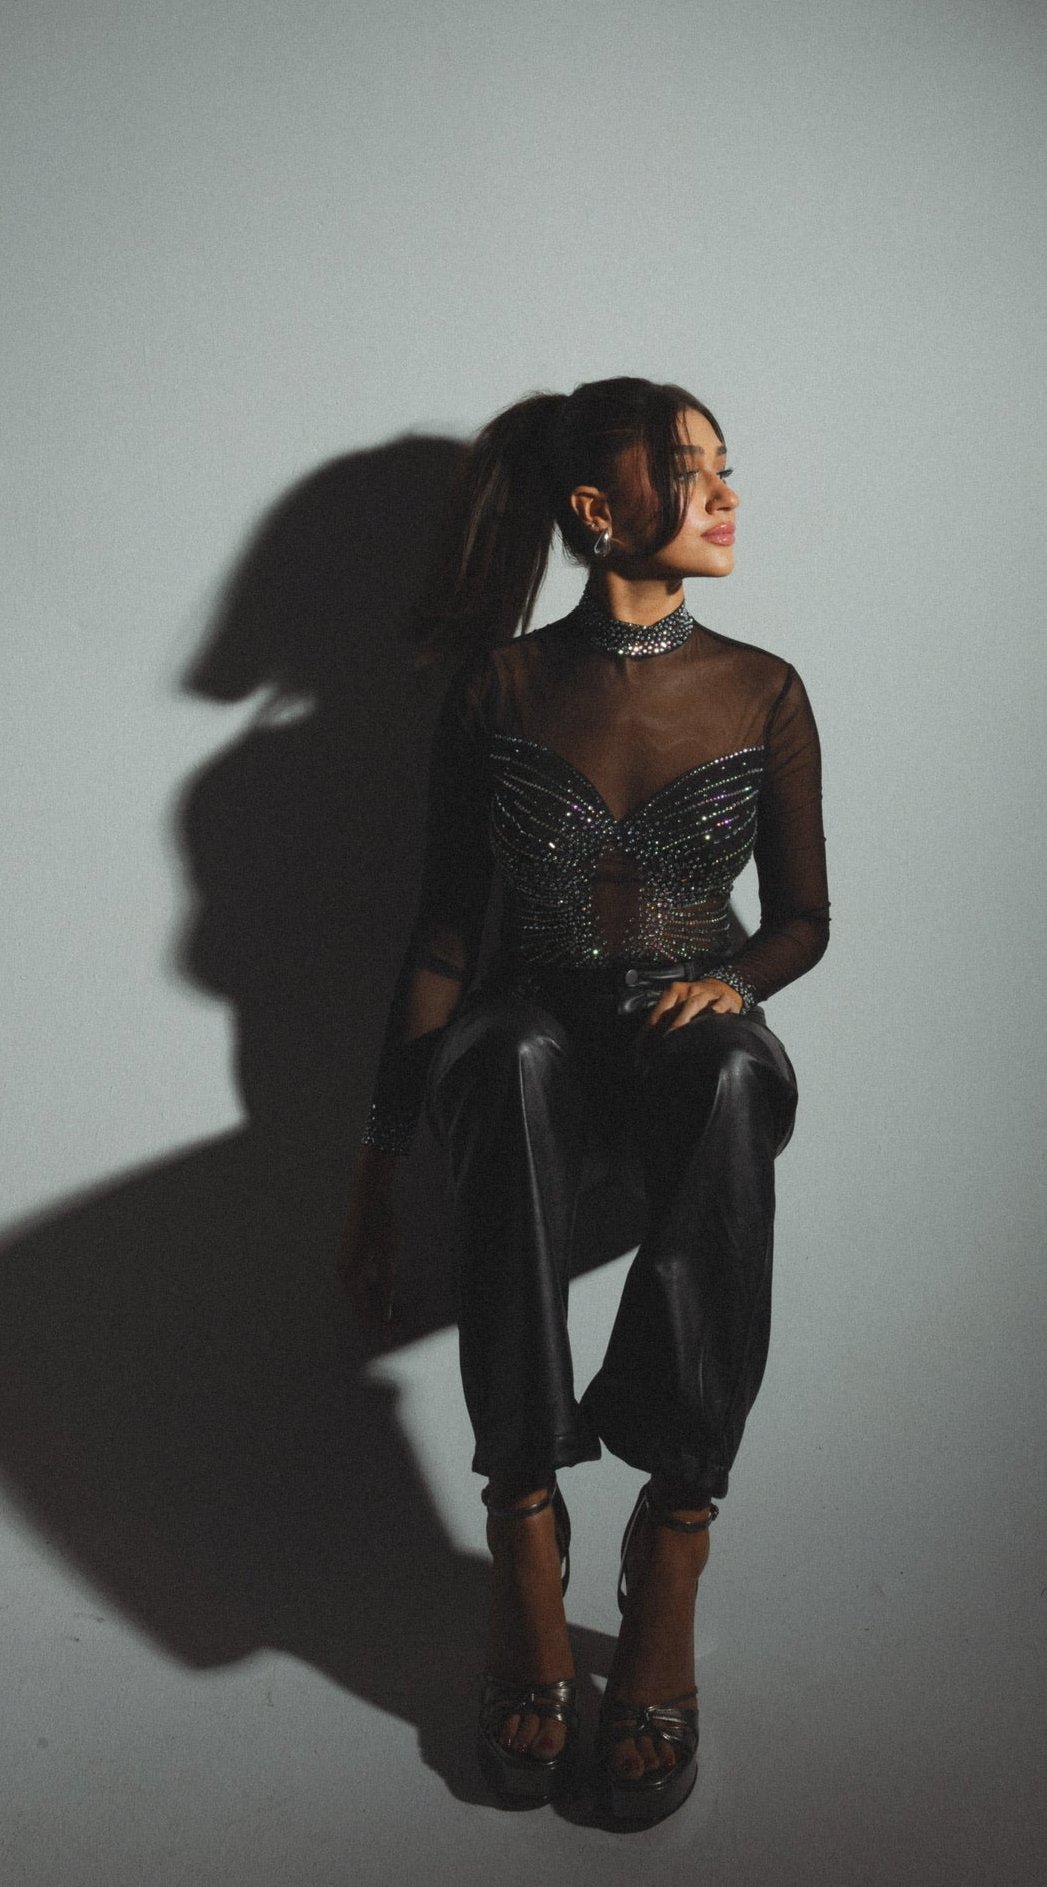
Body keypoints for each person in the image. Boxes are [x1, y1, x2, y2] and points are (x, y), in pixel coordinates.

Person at [337, 376, 829, 1824]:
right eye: (691, 470)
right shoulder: (497, 689)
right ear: (599, 511)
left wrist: (730, 981)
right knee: (509, 1055)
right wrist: (377, 1161)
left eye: (726, 465)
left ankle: (673, 1543)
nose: (727, 494)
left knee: (731, 1069)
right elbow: (445, 936)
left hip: (688, 1034)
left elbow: (805, 921)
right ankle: (525, 1534)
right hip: (531, 1028)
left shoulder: (763, 689)